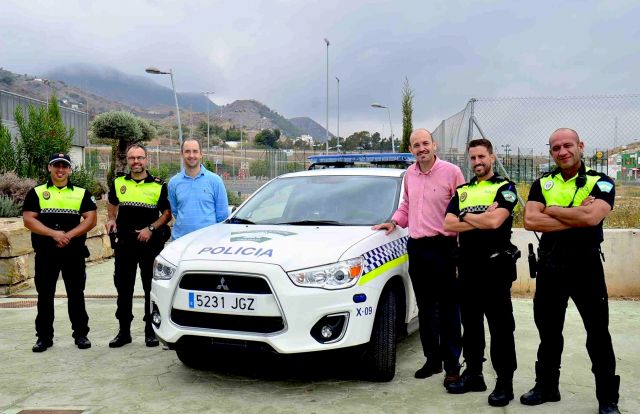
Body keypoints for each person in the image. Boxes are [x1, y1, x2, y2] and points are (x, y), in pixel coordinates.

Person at [520, 128, 621, 414]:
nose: (562, 152)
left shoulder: (600, 182)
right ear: (551, 151)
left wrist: (551, 211)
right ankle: (547, 387)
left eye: (567, 145)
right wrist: (576, 216)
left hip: (585, 266)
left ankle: (607, 399)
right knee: (549, 332)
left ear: (580, 146)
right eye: (555, 148)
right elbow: (530, 220)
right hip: (551, 265)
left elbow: (593, 216)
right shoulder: (542, 183)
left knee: (598, 333)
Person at [372, 128, 464, 386]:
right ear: (411, 149)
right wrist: (393, 222)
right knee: (425, 309)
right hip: (418, 248)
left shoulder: (452, 173)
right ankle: (432, 360)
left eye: (425, 143)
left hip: (445, 247)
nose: (421, 148)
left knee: (448, 310)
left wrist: (459, 254)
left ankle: (452, 365)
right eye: (416, 145)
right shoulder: (409, 175)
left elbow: (463, 211)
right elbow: (406, 206)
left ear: (434, 145)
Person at [443, 138, 519, 407]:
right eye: (473, 158)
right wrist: (477, 219)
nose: (477, 162)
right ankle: (474, 374)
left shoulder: (505, 187)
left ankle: (504, 383)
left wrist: (466, 218)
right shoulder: (462, 191)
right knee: (471, 326)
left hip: (495, 269)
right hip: (467, 269)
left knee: (500, 329)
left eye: (481, 157)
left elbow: (495, 220)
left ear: (492, 157)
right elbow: (448, 222)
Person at [22, 152, 97, 352]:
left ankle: (81, 335)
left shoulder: (81, 193)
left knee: (76, 294)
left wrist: (68, 235)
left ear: (70, 169)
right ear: (49, 168)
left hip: (73, 253)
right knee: (44, 295)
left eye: (64, 166)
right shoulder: (36, 193)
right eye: (57, 166)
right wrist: (54, 234)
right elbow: (29, 219)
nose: (61, 170)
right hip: (46, 253)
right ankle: (44, 338)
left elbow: (91, 219)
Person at [106, 144, 172, 348]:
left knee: (149, 289)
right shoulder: (118, 183)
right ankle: (123, 332)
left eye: (140, 158)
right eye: (132, 158)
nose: (136, 161)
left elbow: (167, 214)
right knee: (123, 289)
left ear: (146, 159)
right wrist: (111, 218)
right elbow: (112, 202)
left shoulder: (159, 185)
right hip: (125, 244)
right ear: (127, 160)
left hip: (149, 245)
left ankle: (150, 331)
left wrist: (150, 228)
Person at [168, 138, 229, 239]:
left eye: (195, 151)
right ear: (182, 154)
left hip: (208, 243)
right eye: (187, 151)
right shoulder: (173, 183)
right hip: (180, 241)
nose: (191, 155)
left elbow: (222, 216)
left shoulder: (215, 181)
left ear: (201, 154)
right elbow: (175, 211)